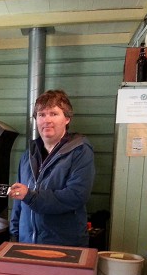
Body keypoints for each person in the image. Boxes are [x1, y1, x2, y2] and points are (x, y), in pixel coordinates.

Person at [8, 90, 95, 247]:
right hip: (27, 243)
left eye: (53, 114)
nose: (46, 120)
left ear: (67, 119)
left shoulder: (79, 151)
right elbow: (19, 201)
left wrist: (31, 196)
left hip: (64, 245)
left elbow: (76, 195)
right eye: (41, 115)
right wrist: (14, 235)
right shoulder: (28, 155)